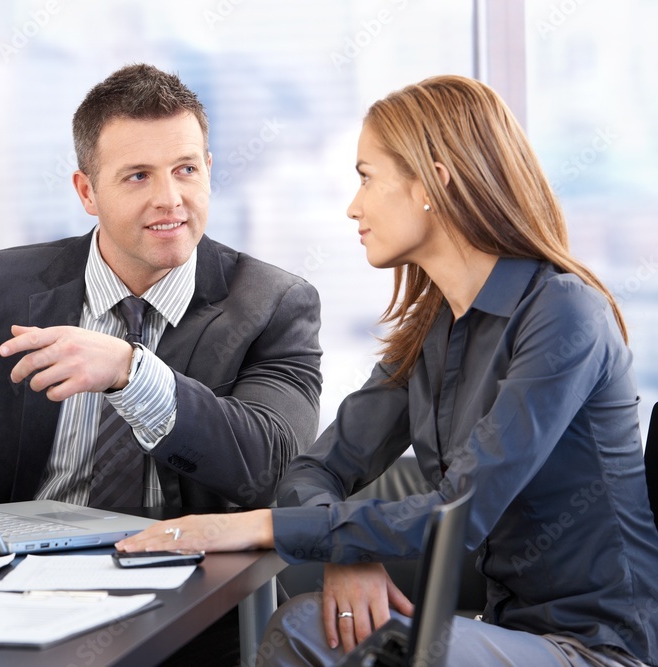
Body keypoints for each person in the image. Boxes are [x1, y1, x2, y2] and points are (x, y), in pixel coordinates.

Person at [117, 75, 658, 666]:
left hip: (597, 651)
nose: (354, 206)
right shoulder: (434, 330)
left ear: (433, 183)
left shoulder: (563, 312)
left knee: (306, 630)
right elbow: (316, 469)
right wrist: (348, 554)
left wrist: (252, 528)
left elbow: (462, 513)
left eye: (367, 177)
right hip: (506, 632)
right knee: (312, 624)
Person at [0, 63, 323, 533]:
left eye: (186, 169)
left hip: (189, 604)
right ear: (86, 192)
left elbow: (274, 470)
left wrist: (131, 373)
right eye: (138, 176)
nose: (170, 199)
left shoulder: (274, 305)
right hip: (9, 593)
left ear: (208, 167)